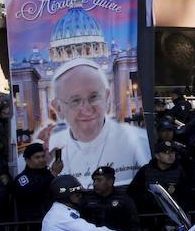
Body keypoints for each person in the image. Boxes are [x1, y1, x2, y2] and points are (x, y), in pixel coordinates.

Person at [43, 59, 151, 187]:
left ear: (106, 97)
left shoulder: (139, 141)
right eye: (75, 100)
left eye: (94, 97)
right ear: (58, 108)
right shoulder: (49, 150)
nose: (87, 109)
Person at [12, 143, 61, 231]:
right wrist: (53, 174)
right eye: (37, 157)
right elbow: (33, 191)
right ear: (28, 160)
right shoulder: (22, 178)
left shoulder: (49, 174)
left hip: (51, 224)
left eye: (43, 156)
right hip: (31, 226)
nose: (41, 160)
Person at [127, 140, 191, 214]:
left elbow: (187, 195)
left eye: (173, 152)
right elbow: (132, 192)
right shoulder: (145, 170)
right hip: (149, 214)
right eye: (166, 152)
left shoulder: (180, 171)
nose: (171, 155)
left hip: (172, 214)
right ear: (157, 156)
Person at [82, 166, 141, 231]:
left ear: (110, 181)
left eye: (99, 180)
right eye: (94, 180)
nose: (95, 184)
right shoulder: (88, 199)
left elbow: (134, 225)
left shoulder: (123, 199)